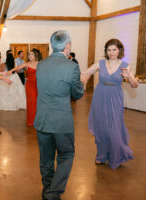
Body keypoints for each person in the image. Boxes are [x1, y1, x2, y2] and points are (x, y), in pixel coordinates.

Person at [34, 30, 84, 200]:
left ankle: (48, 188)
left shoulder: (41, 65)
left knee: (46, 158)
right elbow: (77, 94)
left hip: (42, 120)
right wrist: (81, 83)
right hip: (61, 122)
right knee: (66, 155)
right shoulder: (72, 67)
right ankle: (53, 192)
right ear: (67, 46)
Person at [81, 38, 138, 169]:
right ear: (106, 51)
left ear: (119, 51)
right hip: (100, 96)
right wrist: (83, 77)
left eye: (114, 49)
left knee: (114, 127)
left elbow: (134, 85)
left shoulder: (125, 65)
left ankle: (116, 155)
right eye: (109, 50)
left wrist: (129, 76)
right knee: (101, 127)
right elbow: (86, 73)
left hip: (115, 97)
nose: (111, 52)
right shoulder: (100, 63)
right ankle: (101, 155)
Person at [9, 48, 41, 126]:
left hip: (38, 85)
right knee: (31, 102)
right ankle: (32, 121)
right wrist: (10, 71)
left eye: (32, 54)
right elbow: (17, 68)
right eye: (29, 54)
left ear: (35, 56)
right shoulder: (26, 64)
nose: (30, 56)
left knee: (37, 103)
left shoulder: (40, 63)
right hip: (30, 85)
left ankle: (38, 120)